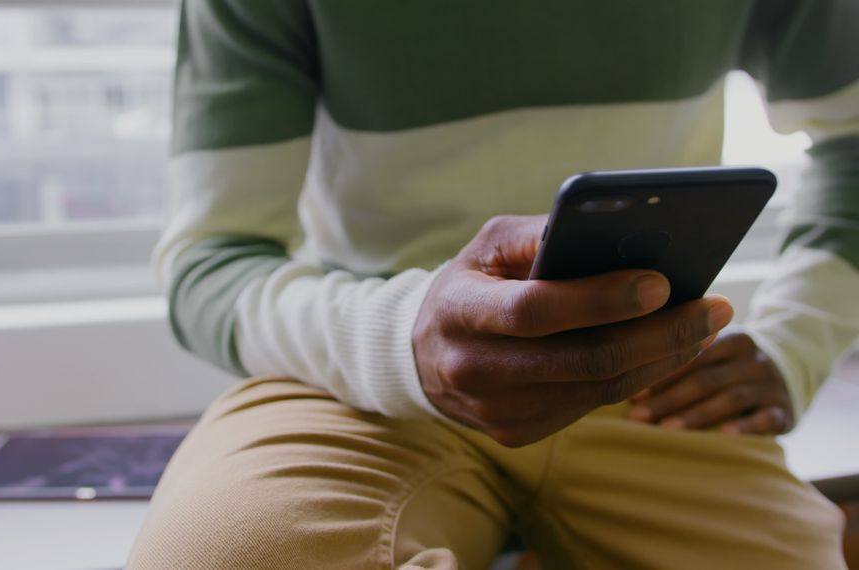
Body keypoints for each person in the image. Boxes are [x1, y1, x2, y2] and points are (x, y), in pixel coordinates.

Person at [128, 1, 859, 568]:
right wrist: (402, 339)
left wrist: (795, 345)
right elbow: (211, 262)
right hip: (361, 379)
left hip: (651, 386)